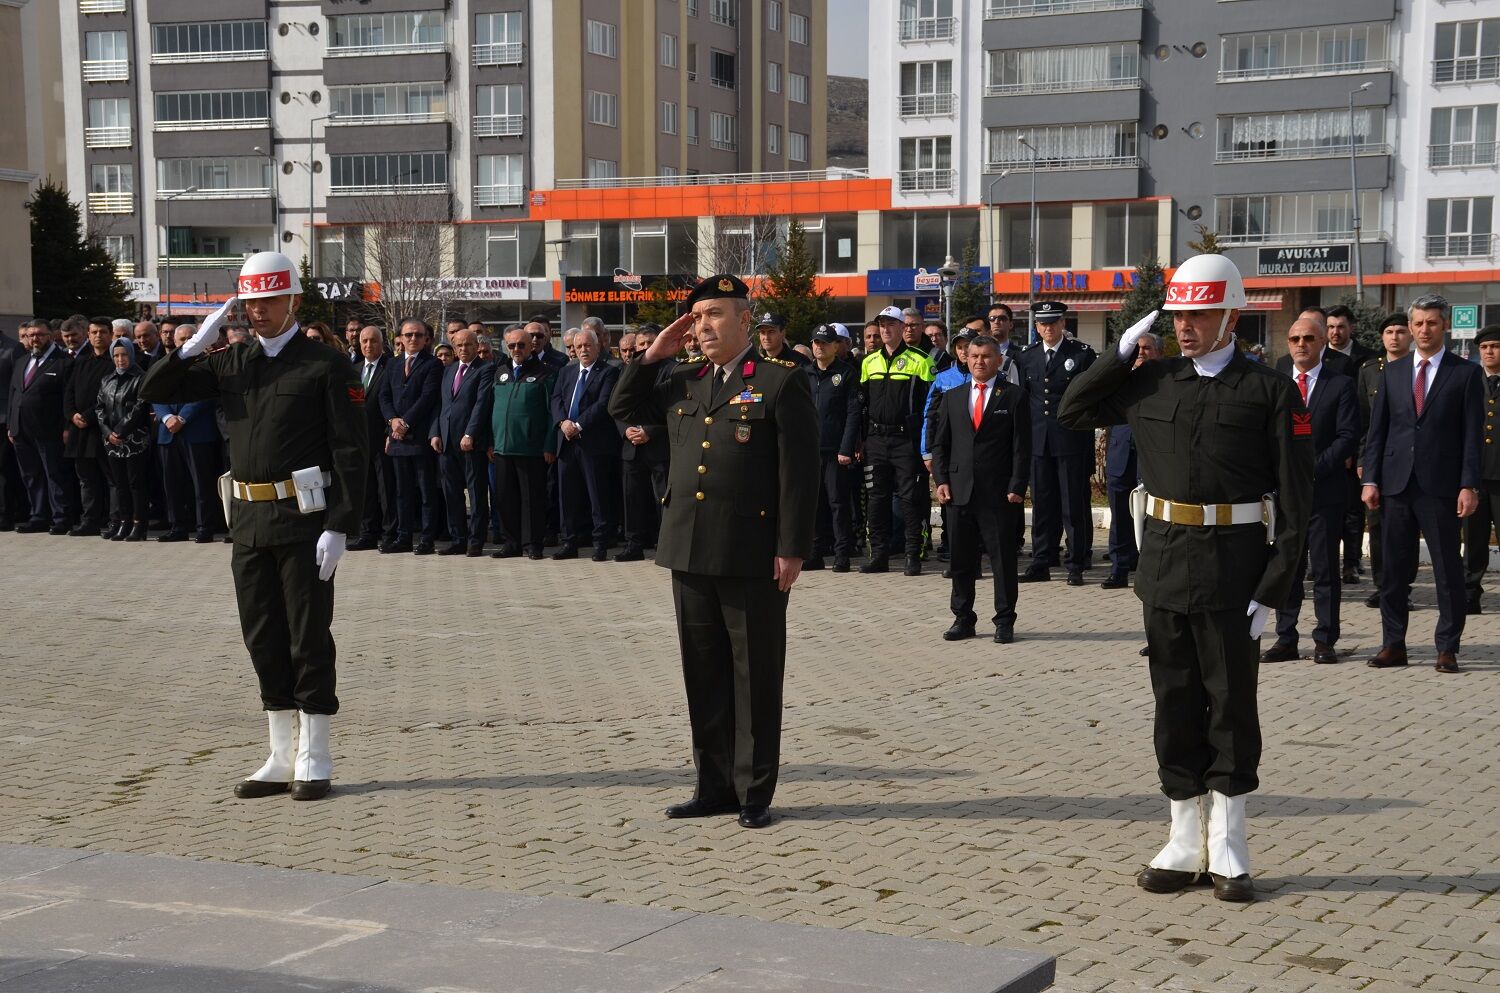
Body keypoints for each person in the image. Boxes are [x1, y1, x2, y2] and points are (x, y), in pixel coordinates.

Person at [1059, 253, 1314, 903]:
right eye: (1178, 316)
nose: (1187, 327)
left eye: (1199, 314)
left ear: (1231, 314)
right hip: (1166, 567)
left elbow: (1296, 503)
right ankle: (1182, 837)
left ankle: (1229, 846)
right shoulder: (1153, 381)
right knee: (1174, 704)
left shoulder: (1269, 391)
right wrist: (1117, 354)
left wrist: (1274, 591)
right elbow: (1071, 410)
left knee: (1230, 707)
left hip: (1235, 572)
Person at [140, 251, 367, 800]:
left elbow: (352, 450)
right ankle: (280, 755)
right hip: (247, 520)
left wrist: (340, 525)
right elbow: (155, 389)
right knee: (261, 635)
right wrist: (192, 344)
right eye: (249, 303)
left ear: (292, 300)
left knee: (307, 636)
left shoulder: (324, 364)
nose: (257, 312)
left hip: (304, 519)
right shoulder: (232, 362)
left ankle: (315, 755)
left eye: (268, 301)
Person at [608, 273, 818, 830]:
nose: (702, 326)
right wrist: (652, 355)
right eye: (697, 316)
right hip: (689, 548)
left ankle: (754, 792)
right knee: (702, 674)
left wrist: (792, 548)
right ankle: (713, 786)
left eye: (714, 315)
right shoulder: (682, 379)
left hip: (753, 552)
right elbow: (621, 407)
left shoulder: (778, 381)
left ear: (745, 318)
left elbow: (798, 472)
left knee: (755, 675)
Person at [1362, 294, 1484, 674]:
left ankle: (1447, 647)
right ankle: (1393, 644)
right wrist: (1371, 478)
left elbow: (1471, 436)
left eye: (1432, 322)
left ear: (1444, 325)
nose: (1424, 329)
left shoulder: (1464, 373)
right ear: (1411, 327)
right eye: (1418, 323)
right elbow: (1378, 431)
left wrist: (1469, 485)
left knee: (1448, 571)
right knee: (1394, 571)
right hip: (1396, 484)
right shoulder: (1393, 373)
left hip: (1441, 486)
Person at [1262, 318, 1358, 665]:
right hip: (1284, 494)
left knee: (1324, 570)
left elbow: (1347, 436)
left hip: (1324, 492)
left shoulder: (1341, 385)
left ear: (1321, 343)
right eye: (1294, 338)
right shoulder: (1274, 383)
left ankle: (1325, 639)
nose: (1301, 344)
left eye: (1308, 338)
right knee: (1286, 567)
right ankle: (1285, 638)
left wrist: (1309, 470)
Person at [930, 335, 1030, 644]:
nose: (979, 361)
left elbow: (1021, 447)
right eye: (973, 355)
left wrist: (1017, 485)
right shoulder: (953, 397)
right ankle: (963, 618)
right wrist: (942, 480)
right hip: (959, 491)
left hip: (998, 493)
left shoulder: (1013, 397)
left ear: (998, 360)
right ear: (965, 358)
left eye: (986, 356)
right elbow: (941, 444)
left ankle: (1004, 620)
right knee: (961, 559)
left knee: (1002, 560)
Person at [1015, 301, 1096, 585]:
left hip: (1071, 439)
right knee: (1042, 504)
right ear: (1036, 326)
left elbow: (1090, 397)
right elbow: (1023, 399)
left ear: (1063, 324)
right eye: (1042, 323)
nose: (1048, 328)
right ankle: (1041, 560)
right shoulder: (1027, 356)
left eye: (1053, 322)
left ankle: (1076, 562)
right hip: (1039, 441)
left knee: (1072, 505)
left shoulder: (1082, 354)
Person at [859, 305, 934, 576]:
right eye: (882, 325)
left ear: (903, 328)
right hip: (876, 440)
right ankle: (879, 555)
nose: (885, 329)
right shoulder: (868, 362)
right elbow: (861, 405)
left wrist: (926, 445)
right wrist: (860, 440)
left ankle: (913, 554)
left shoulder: (920, 360)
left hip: (906, 441)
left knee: (910, 499)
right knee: (876, 499)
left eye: (891, 325)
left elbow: (931, 406)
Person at [1357, 315, 1415, 608]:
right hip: (1378, 459)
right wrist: (1362, 460)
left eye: (1401, 331)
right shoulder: (1369, 370)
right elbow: (1364, 421)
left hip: (1411, 459)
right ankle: (1383, 585)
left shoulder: (1419, 371)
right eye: (1389, 332)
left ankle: (1404, 586)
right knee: (1377, 524)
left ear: (1411, 335)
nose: (1395, 337)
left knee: (1409, 527)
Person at [550, 326, 621, 560]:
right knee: (567, 496)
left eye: (587, 345)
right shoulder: (566, 372)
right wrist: (562, 423)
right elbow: (556, 399)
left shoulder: (608, 372)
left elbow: (603, 405)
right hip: (566, 442)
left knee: (597, 496)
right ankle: (569, 542)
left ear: (598, 346)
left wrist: (577, 425)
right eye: (578, 346)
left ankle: (600, 543)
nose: (583, 350)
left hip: (592, 443)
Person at [490, 326, 558, 560]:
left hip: (531, 448)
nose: (516, 349)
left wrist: (550, 444)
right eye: (511, 346)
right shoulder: (500, 372)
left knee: (532, 499)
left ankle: (532, 543)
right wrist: (491, 441)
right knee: (505, 497)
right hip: (502, 447)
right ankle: (512, 542)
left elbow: (552, 413)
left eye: (521, 345)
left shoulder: (545, 373)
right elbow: (492, 410)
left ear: (531, 346)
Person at [152, 324, 224, 543]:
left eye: (190, 338)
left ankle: (204, 527)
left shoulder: (206, 363)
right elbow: (154, 391)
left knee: (201, 483)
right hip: (168, 432)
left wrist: (183, 418)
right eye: (181, 339)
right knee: (172, 483)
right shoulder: (165, 365)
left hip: (197, 432)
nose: (185, 342)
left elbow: (207, 395)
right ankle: (178, 526)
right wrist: (166, 417)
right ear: (174, 342)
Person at [1101, 332, 1162, 589]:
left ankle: (1152, 569)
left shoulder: (1168, 381)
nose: (1141, 353)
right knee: (1120, 513)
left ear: (1159, 353)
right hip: (1121, 453)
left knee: (1155, 515)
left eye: (1147, 348)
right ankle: (1119, 569)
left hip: (1154, 456)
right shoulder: (1119, 379)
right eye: (1137, 349)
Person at [378, 319, 442, 555]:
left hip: (419, 437)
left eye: (418, 335)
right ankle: (403, 537)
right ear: (401, 338)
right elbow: (384, 396)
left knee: (426, 491)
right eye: (408, 335)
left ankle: (427, 538)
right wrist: (392, 421)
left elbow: (427, 398)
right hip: (397, 438)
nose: (413, 339)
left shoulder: (433, 364)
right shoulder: (392, 364)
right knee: (401, 491)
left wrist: (405, 422)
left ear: (426, 339)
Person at [7, 319, 77, 534]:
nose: (34, 338)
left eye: (39, 334)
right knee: (31, 475)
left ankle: (61, 518)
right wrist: (11, 424)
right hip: (21, 430)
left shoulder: (63, 361)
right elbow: (14, 394)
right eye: (30, 335)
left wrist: (67, 426)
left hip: (49, 430)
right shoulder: (21, 361)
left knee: (54, 474)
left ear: (50, 336)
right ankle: (38, 516)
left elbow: (68, 397)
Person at [431, 329, 495, 556]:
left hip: (470, 443)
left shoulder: (486, 369)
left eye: (468, 345)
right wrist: (435, 433)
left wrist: (470, 434)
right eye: (459, 345)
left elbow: (481, 405)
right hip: (447, 442)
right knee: (452, 493)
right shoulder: (448, 371)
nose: (464, 349)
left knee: (477, 495)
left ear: (476, 346)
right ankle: (458, 538)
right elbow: (441, 405)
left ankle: (475, 541)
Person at [804, 323, 862, 572]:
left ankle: (842, 554)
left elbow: (853, 414)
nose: (820, 347)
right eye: (816, 342)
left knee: (838, 503)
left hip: (836, 451)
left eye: (825, 343)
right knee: (813, 503)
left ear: (836, 346)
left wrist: (846, 448)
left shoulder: (847, 374)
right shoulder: (805, 374)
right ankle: (815, 553)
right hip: (810, 451)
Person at [615, 323, 672, 562]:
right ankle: (634, 545)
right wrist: (627, 430)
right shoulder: (628, 370)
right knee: (632, 498)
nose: (646, 348)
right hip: (632, 447)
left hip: (659, 446)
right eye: (642, 344)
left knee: (663, 499)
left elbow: (675, 410)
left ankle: (666, 544)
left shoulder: (672, 370)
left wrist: (649, 431)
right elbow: (617, 408)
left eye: (651, 342)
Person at [97, 337, 153, 541]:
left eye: (124, 355)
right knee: (119, 484)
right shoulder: (107, 379)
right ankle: (124, 521)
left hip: (134, 439)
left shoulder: (141, 377)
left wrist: (120, 431)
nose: (120, 359)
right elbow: (100, 408)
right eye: (116, 355)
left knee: (135, 483)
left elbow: (139, 407)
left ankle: (139, 524)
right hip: (112, 441)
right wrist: (107, 432)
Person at [64, 317, 115, 537]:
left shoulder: (116, 361)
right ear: (88, 334)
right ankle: (90, 521)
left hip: (103, 429)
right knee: (86, 478)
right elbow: (69, 392)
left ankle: (115, 520)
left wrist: (87, 416)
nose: (98, 336)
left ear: (111, 335)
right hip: (80, 430)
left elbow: (110, 397)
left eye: (103, 332)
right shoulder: (81, 361)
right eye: (94, 332)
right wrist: (72, 414)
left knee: (111, 478)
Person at [348, 326, 397, 552]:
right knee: (365, 489)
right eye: (365, 341)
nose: (369, 345)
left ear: (381, 343)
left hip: (382, 439)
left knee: (386, 489)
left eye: (373, 341)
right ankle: (368, 533)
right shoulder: (354, 369)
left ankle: (389, 534)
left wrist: (390, 433)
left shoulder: (391, 367)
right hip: (360, 440)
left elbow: (394, 403)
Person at [1464, 324, 1500, 615]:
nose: (1489, 352)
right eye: (1485, 348)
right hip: (1476, 476)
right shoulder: (1471, 380)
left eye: (1495, 346)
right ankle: (1469, 594)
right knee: (1473, 541)